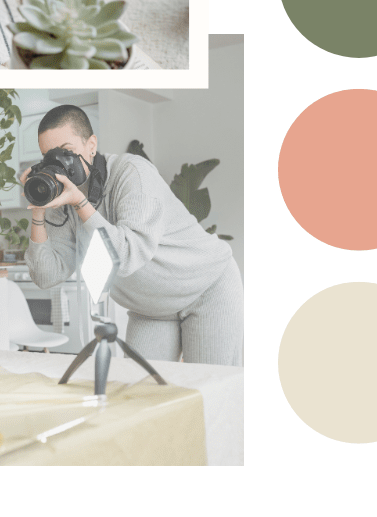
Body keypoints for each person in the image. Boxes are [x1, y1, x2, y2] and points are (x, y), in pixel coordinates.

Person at [21, 104, 242, 367]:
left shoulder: (132, 173)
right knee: (141, 394)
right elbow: (47, 276)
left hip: (206, 288)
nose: (59, 165)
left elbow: (128, 255)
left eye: (66, 152)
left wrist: (82, 204)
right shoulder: (63, 200)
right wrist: (38, 211)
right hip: (151, 309)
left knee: (209, 390)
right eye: (49, 157)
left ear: (91, 145)